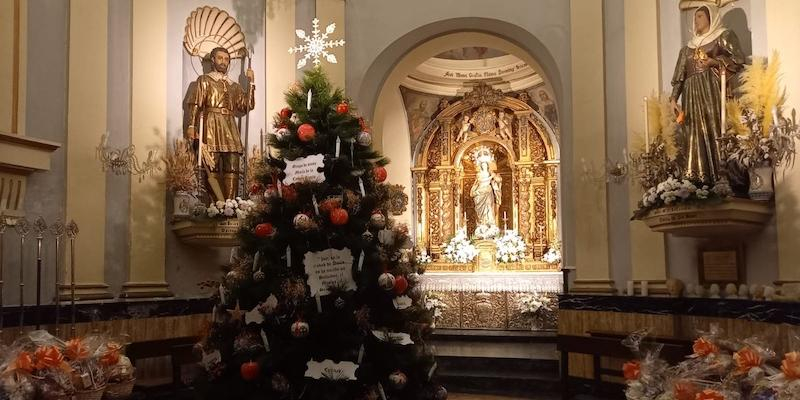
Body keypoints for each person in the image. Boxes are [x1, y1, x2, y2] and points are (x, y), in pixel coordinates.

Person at [670, 4, 744, 183]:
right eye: (695, 17)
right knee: (693, 132)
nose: (696, 20)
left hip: (712, 90)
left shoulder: (723, 36)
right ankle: (696, 176)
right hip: (690, 94)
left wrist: (714, 62)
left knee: (715, 126)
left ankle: (722, 175)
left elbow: (738, 60)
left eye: (700, 16)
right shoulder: (687, 49)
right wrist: (673, 99)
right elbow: (680, 76)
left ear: (711, 17)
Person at [186, 47, 255, 201]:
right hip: (211, 124)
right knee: (212, 165)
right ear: (213, 60)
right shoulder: (204, 80)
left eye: (226, 59)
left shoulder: (234, 86)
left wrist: (251, 82)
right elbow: (195, 103)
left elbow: (246, 106)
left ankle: (231, 204)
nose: (223, 62)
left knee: (233, 164)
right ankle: (216, 204)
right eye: (220, 58)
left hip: (230, 125)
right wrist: (191, 126)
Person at [470, 160, 502, 227]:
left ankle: (490, 222)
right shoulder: (479, 174)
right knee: (480, 209)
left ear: (487, 166)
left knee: (489, 206)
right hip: (481, 191)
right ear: (481, 166)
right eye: (483, 165)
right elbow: (480, 180)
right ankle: (482, 223)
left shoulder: (490, 173)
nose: (484, 166)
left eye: (485, 165)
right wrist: (490, 177)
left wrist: (495, 178)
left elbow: (498, 180)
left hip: (488, 191)